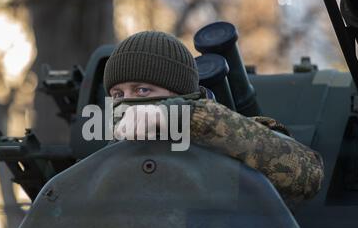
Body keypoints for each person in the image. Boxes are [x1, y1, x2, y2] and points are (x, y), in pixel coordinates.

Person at [103, 30, 324, 207]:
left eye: (142, 90)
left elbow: (307, 175)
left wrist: (187, 117)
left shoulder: (224, 133)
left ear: (180, 94)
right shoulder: (108, 157)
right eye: (118, 95)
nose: (127, 103)